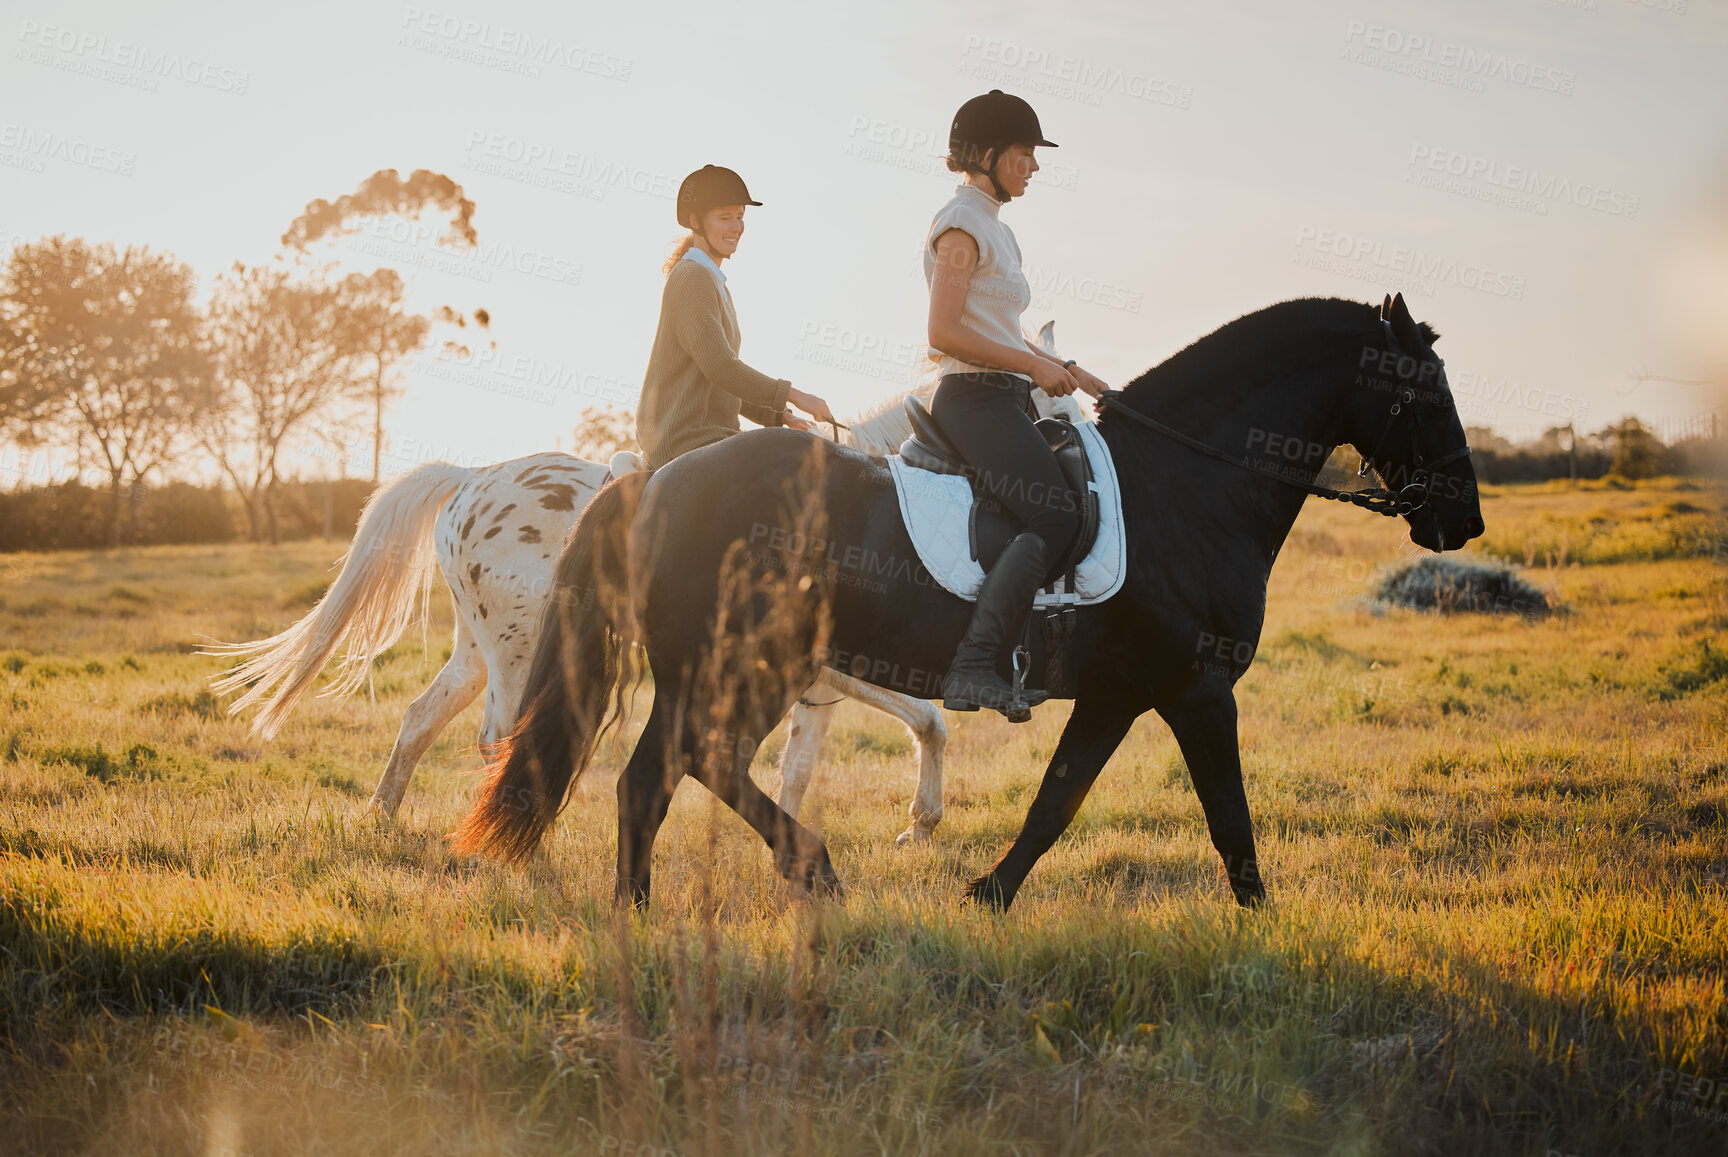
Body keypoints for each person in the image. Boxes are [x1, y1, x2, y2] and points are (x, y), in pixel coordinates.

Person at [924, 91, 1110, 722]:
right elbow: (944, 331)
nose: (1034, 165)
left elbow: (1001, 330)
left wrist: (1068, 370)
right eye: (1025, 153)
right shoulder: (961, 226)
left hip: (1004, 395)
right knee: (1057, 517)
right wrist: (1033, 366)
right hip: (973, 399)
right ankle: (975, 665)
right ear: (986, 154)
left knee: (1070, 506)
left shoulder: (997, 229)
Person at [636, 165, 835, 470]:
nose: (736, 226)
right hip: (684, 441)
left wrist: (779, 416)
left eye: (740, 217)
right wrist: (795, 396)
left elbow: (720, 380)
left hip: (714, 437)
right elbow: (720, 367)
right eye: (725, 217)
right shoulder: (692, 277)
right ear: (696, 222)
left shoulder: (712, 281)